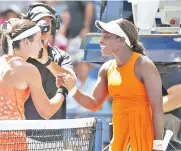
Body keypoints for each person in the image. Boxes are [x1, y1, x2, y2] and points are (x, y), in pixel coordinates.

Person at [57, 18, 164, 151]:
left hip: (144, 141)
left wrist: (158, 146)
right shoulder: (106, 68)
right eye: (102, 36)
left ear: (121, 41)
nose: (101, 41)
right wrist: (72, 89)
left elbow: (157, 108)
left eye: (106, 37)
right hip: (118, 142)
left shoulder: (144, 65)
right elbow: (94, 104)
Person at [0, 19, 74, 150]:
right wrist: (63, 90)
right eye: (38, 40)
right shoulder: (28, 69)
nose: (41, 45)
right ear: (26, 42)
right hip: (12, 142)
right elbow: (46, 111)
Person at [21, 3, 76, 120]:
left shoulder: (61, 56)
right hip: (26, 131)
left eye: (48, 22)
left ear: (53, 26)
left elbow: (71, 82)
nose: (44, 26)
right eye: (39, 21)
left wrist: (48, 62)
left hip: (55, 131)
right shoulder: (21, 56)